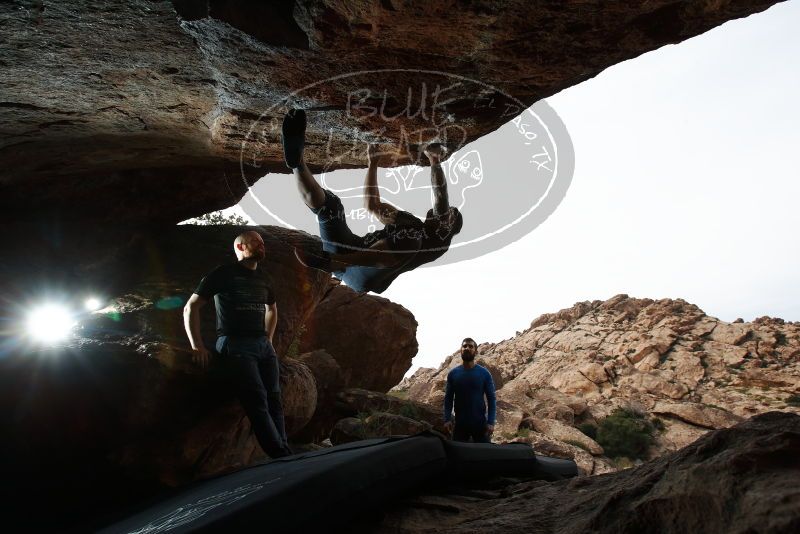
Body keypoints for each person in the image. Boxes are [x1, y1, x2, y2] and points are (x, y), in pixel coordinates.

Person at [282, 108, 464, 294]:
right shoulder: (408, 221)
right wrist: (373, 164)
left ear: (450, 228)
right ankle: (297, 164)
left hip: (361, 275)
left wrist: (434, 160)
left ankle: (334, 261)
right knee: (331, 206)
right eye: (450, 211)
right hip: (348, 247)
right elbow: (372, 206)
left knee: (411, 240)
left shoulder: (438, 243)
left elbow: (441, 197)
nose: (446, 212)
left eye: (451, 215)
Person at [183, 231, 292, 458]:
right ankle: (281, 454)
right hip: (235, 345)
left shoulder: (264, 278)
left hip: (262, 345)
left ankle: (285, 449)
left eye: (262, 242)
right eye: (255, 242)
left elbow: (272, 309)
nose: (262, 245)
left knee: (274, 398)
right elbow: (191, 307)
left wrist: (269, 339)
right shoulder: (223, 274)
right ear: (241, 247)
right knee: (258, 400)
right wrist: (197, 346)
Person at [443, 338, 496, 443]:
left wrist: (491, 422)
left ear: (475, 351)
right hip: (460, 425)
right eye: (464, 346)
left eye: (470, 346)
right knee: (458, 456)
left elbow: (492, 399)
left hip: (480, 425)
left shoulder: (484, 373)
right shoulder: (453, 374)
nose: (467, 348)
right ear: (461, 350)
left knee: (486, 456)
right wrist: (447, 419)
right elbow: (448, 398)